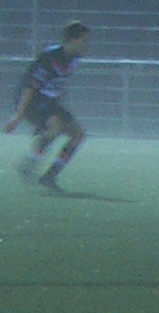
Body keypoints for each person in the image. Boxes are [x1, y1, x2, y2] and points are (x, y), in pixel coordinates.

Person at [5, 20, 93, 191]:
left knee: (78, 135)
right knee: (56, 126)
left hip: (50, 102)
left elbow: (61, 85)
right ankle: (29, 164)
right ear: (72, 40)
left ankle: (49, 177)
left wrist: (61, 106)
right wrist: (18, 117)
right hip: (33, 101)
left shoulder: (74, 59)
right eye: (84, 40)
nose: (87, 45)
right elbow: (30, 88)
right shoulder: (49, 58)